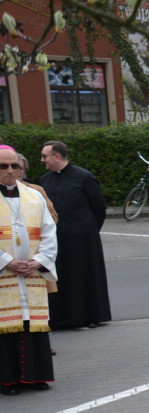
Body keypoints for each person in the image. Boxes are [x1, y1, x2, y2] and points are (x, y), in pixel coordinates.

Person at [0, 145, 57, 395]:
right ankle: (8, 380)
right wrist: (6, 261)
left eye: (15, 166)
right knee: (5, 328)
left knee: (32, 324)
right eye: (4, 166)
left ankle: (36, 377)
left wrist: (39, 260)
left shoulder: (34, 196)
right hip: (4, 275)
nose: (11, 171)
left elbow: (49, 232)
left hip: (31, 273)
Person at [38, 140, 111, 329]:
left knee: (81, 278)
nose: (42, 160)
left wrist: (88, 230)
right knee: (59, 279)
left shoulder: (83, 177)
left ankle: (87, 316)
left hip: (82, 240)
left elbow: (99, 207)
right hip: (55, 239)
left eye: (45, 156)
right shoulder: (44, 180)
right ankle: (60, 318)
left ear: (58, 156)